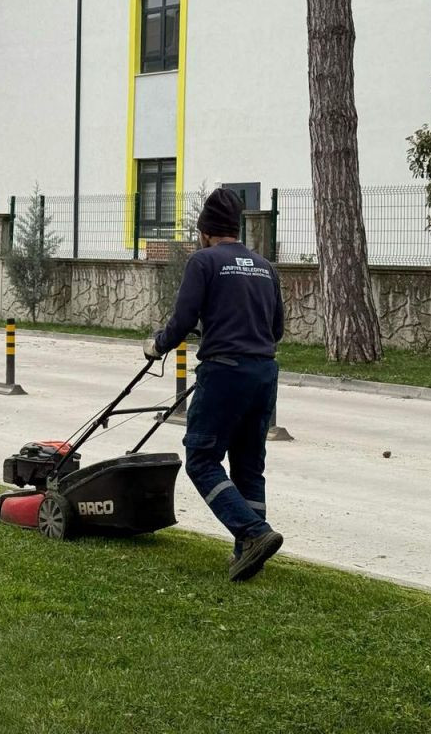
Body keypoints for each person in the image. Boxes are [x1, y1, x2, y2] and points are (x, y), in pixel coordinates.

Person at [145, 188, 285, 582]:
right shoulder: (264, 267)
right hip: (264, 373)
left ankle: (253, 533)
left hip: (224, 371)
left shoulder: (203, 262)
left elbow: (184, 318)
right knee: (248, 464)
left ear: (205, 231)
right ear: (236, 229)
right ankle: (247, 551)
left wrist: (157, 345)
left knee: (202, 459)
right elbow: (277, 329)